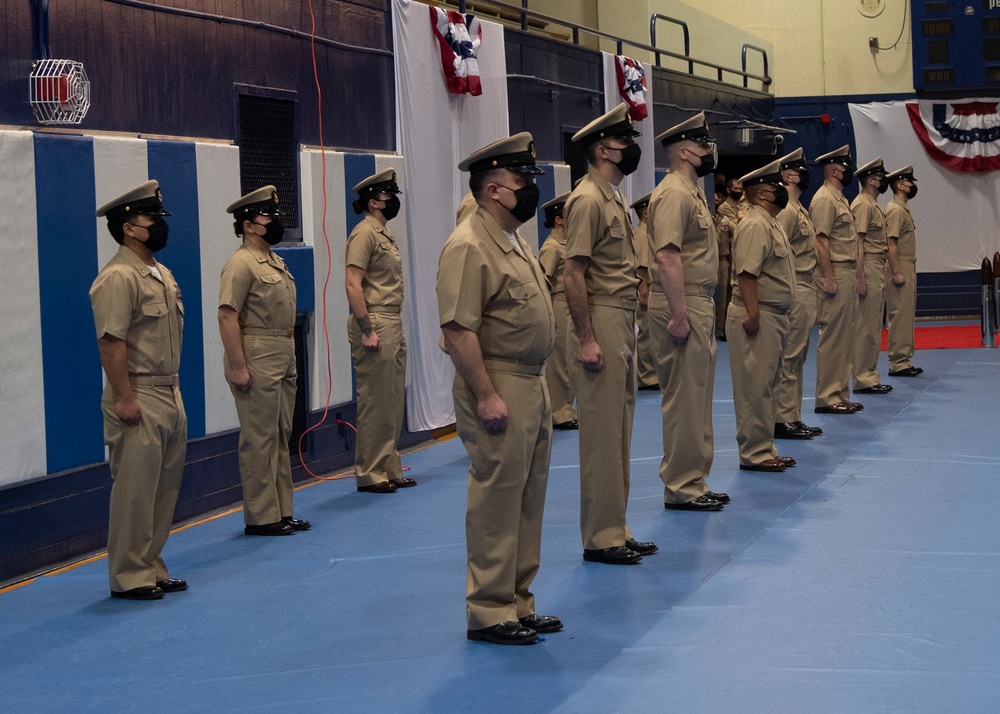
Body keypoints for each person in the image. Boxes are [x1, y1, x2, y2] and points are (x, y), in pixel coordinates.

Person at [437, 132, 562, 646]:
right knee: (497, 497)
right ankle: (489, 608)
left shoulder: (511, 239)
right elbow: (458, 329)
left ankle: (517, 599)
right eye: (520, 180)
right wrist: (486, 394)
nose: (529, 189)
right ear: (493, 190)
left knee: (528, 498)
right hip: (499, 380)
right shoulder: (468, 245)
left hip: (531, 381)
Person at [564, 103, 657, 565]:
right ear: (604, 149)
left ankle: (616, 525)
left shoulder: (612, 197)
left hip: (620, 317)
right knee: (601, 433)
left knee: (619, 431)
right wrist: (585, 337)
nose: (632, 150)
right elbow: (572, 272)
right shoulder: (586, 199)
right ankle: (601, 536)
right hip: (601, 316)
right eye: (626, 142)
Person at [90, 180, 188, 600]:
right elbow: (111, 341)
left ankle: (151, 564)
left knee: (163, 490)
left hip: (169, 391)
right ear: (129, 227)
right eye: (152, 219)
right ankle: (129, 575)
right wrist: (124, 397)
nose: (159, 226)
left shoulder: (159, 273)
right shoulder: (116, 276)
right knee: (135, 490)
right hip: (139, 393)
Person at [646, 112, 728, 511]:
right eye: (702, 145)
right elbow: (667, 256)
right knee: (684, 398)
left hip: (697, 299)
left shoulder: (691, 191)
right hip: (682, 302)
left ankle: (693, 479)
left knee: (696, 396)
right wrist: (679, 314)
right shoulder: (674, 193)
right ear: (683, 151)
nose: (708, 151)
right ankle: (681, 485)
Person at [220, 186, 309, 536]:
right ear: (247, 225)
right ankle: (260, 516)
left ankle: (281, 509)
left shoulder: (274, 260)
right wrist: (239, 366)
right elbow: (227, 316)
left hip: (282, 351)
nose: (274, 222)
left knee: (280, 433)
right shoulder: (241, 264)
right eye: (266, 217)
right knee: (259, 437)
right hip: (256, 352)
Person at [344, 169, 416, 494]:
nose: (393, 201)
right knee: (375, 400)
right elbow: (352, 283)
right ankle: (370, 472)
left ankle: (389, 466)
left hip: (392, 319)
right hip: (375, 320)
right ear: (373, 202)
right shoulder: (364, 234)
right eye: (389, 196)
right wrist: (366, 328)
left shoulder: (384, 234)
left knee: (392, 398)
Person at [726, 159, 798, 472]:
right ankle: (754, 453)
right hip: (759, 315)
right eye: (777, 187)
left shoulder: (769, 222)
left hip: (774, 315)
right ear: (764, 195)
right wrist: (753, 313)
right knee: (754, 387)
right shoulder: (755, 223)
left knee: (767, 385)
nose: (783, 192)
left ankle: (765, 446)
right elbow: (747, 274)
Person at [810, 145, 864, 415]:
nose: (849, 171)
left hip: (849, 270)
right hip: (837, 271)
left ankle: (840, 392)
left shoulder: (840, 198)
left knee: (846, 336)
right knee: (832, 337)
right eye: (845, 166)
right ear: (833, 170)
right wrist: (828, 277)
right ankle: (827, 396)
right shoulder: (824, 199)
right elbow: (821, 240)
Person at [774, 149, 823, 440]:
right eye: (799, 170)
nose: (804, 174)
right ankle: (781, 418)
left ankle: (793, 414)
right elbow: (781, 253)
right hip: (795, 285)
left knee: (798, 356)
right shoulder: (787, 212)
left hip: (808, 283)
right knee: (789, 356)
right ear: (787, 175)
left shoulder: (799, 209)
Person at [850, 158, 893, 396]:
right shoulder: (863, 205)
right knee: (866, 325)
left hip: (877, 264)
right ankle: (863, 378)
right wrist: (862, 277)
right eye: (880, 177)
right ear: (871, 180)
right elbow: (858, 243)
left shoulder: (871, 204)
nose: (883, 181)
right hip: (868, 264)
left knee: (874, 324)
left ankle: (869, 374)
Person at [537, 191, 579, 429]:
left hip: (570, 304)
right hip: (560, 304)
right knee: (559, 364)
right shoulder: (552, 247)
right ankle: (558, 411)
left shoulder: (567, 244)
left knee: (569, 362)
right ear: (558, 220)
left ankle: (566, 407)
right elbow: (544, 281)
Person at [884, 166, 923, 377]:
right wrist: (896, 271)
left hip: (907, 263)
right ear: (901, 185)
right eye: (909, 182)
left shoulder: (901, 208)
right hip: (900, 264)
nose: (912, 186)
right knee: (899, 314)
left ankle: (904, 360)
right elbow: (890, 242)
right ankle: (897, 362)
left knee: (906, 314)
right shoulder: (896, 210)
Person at [631, 192, 659, 390]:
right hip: (646, 288)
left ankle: (652, 373)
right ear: (645, 214)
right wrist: (643, 291)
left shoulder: (650, 232)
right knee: (647, 333)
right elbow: (641, 267)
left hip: (654, 288)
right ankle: (647, 376)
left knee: (653, 333)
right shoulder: (642, 234)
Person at [715, 178, 745, 340]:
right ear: (728, 190)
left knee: (735, 292)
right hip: (726, 256)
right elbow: (738, 229)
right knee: (724, 293)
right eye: (735, 188)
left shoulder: (743, 206)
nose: (738, 191)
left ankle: (732, 327)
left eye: (741, 188)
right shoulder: (724, 208)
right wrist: (742, 219)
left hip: (738, 255)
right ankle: (722, 328)